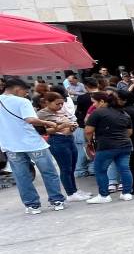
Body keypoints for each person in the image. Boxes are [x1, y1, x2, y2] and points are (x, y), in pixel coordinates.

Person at [1, 77, 68, 213]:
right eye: (25, 91)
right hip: (32, 143)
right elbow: (30, 119)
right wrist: (48, 123)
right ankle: (56, 201)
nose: (25, 94)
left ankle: (32, 205)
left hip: (10, 145)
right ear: (17, 89)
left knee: (21, 176)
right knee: (49, 172)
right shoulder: (22, 101)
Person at [36, 91, 89, 202]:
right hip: (57, 141)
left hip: (69, 138)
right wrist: (62, 126)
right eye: (57, 104)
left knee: (72, 167)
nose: (60, 106)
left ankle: (74, 190)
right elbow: (43, 131)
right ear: (47, 102)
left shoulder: (61, 111)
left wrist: (72, 127)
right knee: (66, 168)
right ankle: (70, 193)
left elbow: (68, 123)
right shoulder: (42, 114)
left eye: (61, 103)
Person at [84, 92, 134, 204]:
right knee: (125, 169)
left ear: (102, 102)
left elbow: (88, 130)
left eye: (94, 103)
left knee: (100, 170)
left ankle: (104, 195)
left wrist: (89, 141)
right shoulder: (124, 113)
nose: (93, 105)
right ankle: (126, 193)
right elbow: (129, 132)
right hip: (125, 145)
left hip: (106, 146)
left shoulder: (98, 113)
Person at [73, 77, 100, 177]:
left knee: (83, 149)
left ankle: (80, 170)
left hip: (84, 127)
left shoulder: (82, 98)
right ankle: (93, 168)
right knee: (96, 149)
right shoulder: (105, 95)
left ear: (86, 86)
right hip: (99, 128)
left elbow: (78, 113)